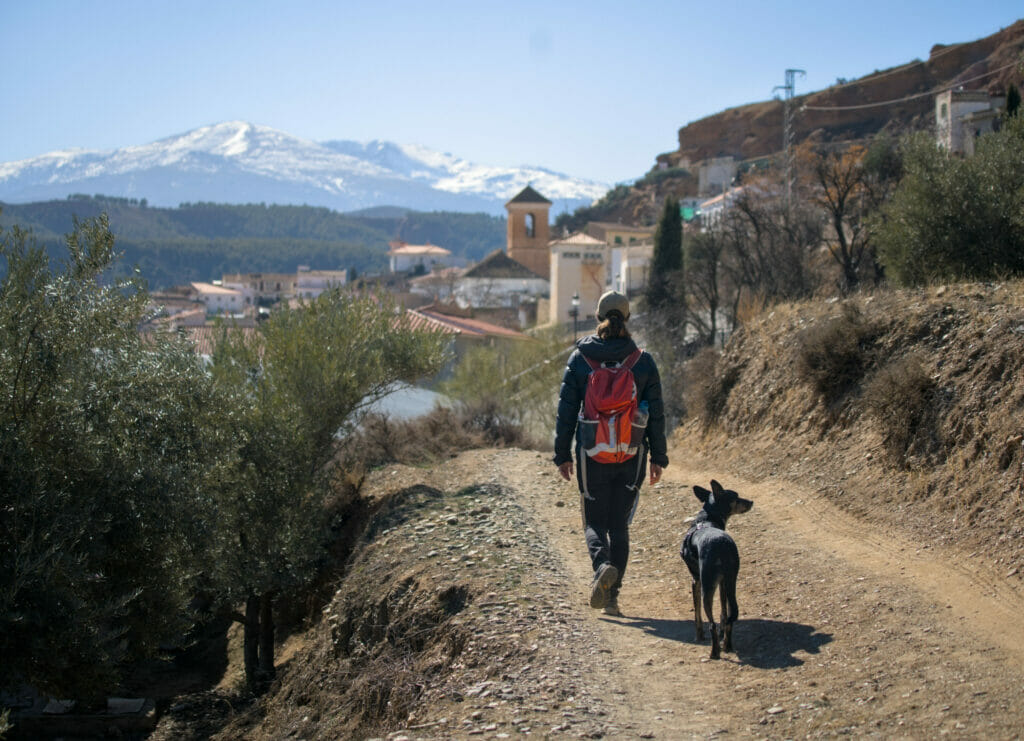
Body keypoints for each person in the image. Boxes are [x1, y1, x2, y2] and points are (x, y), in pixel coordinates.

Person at [554, 290, 668, 616]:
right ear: (627, 319)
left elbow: (565, 412)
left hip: (592, 453)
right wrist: (658, 458)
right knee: (619, 526)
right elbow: (656, 415)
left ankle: (601, 565)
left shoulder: (580, 360)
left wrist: (562, 454)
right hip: (631, 453)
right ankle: (613, 599)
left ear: (597, 317)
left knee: (593, 522)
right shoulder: (643, 362)